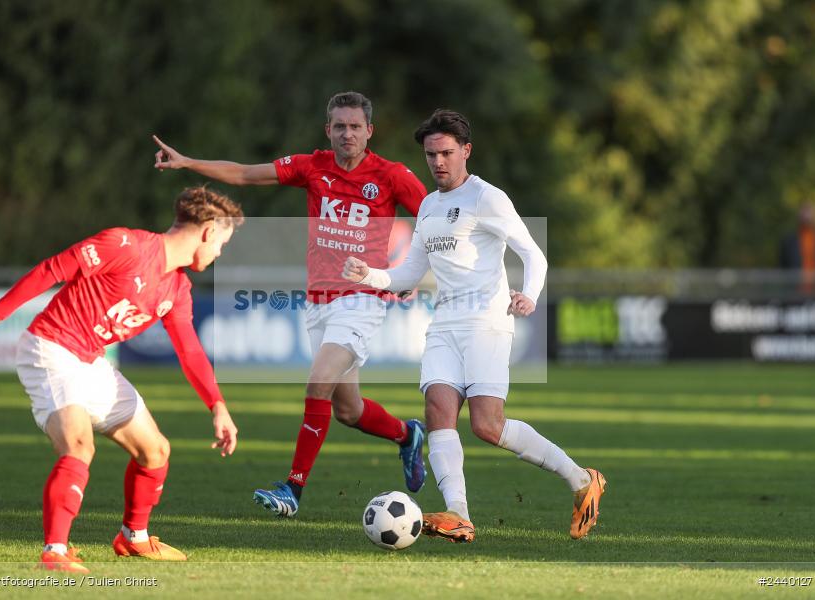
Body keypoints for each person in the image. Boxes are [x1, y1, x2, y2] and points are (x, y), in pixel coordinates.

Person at [151, 91, 429, 517]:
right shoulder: (312, 166)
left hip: (362, 299)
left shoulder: (391, 176)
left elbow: (433, 219)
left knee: (318, 382)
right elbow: (244, 174)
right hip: (319, 302)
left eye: (356, 126)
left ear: (369, 131)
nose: (347, 134)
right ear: (328, 130)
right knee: (348, 410)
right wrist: (189, 162)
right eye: (340, 126)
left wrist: (413, 271)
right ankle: (407, 435)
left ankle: (292, 490)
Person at [342, 109, 606, 542]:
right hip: (444, 324)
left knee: (487, 425)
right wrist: (369, 274)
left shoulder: (488, 198)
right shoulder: (428, 205)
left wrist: (529, 294)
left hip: (487, 323)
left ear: (466, 151)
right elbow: (408, 274)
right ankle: (459, 513)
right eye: (430, 154)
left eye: (446, 152)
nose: (438, 162)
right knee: (438, 412)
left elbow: (533, 254)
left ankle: (582, 479)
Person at [0, 186, 243, 572]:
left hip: (90, 362)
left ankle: (133, 538)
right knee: (79, 446)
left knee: (156, 452)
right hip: (50, 348)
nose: (219, 253)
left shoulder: (178, 287)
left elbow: (190, 351)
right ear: (208, 232)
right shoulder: (126, 245)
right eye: (223, 243)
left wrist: (217, 406)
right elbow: (54, 268)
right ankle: (54, 552)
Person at [780, 203, 815, 294]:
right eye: (805, 213)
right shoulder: (790, 240)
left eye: (810, 214)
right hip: (796, 291)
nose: (807, 217)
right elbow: (784, 264)